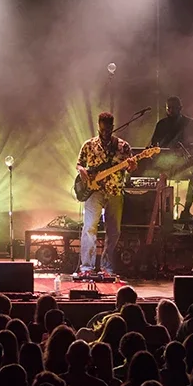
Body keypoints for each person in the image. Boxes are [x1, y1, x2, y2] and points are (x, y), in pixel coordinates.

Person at [76, 111, 136, 278]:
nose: (105, 133)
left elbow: (131, 169)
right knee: (89, 228)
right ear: (98, 126)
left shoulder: (123, 146)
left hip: (115, 192)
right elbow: (79, 164)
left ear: (112, 127)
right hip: (94, 192)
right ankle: (86, 267)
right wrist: (82, 171)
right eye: (102, 129)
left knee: (113, 231)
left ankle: (106, 268)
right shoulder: (89, 145)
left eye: (107, 130)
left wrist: (131, 165)